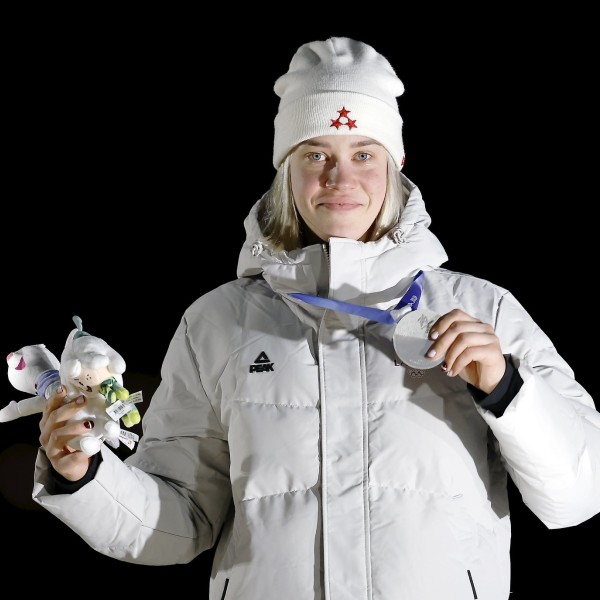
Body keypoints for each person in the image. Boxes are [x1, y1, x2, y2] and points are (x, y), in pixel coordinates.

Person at [33, 37, 600, 600]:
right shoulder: (217, 322)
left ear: (395, 167)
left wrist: (506, 388)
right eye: (315, 154)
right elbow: (177, 523)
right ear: (287, 170)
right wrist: (84, 475)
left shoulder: (482, 310)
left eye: (363, 154)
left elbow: (579, 494)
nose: (339, 178)